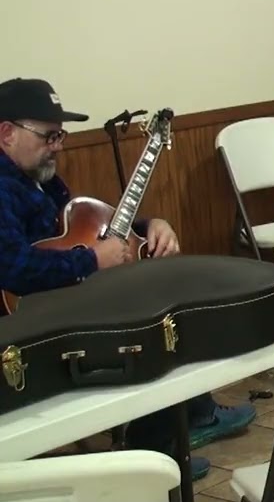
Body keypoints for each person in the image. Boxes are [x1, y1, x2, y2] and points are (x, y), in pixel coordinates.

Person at [0, 78, 255, 479]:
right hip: (26, 333)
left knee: (161, 295)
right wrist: (90, 261)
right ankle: (147, 456)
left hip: (58, 306)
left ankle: (180, 426)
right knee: (145, 326)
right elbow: (12, 269)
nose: (57, 146)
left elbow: (83, 227)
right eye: (49, 136)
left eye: (60, 136)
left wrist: (149, 225)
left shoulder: (38, 177)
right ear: (6, 133)